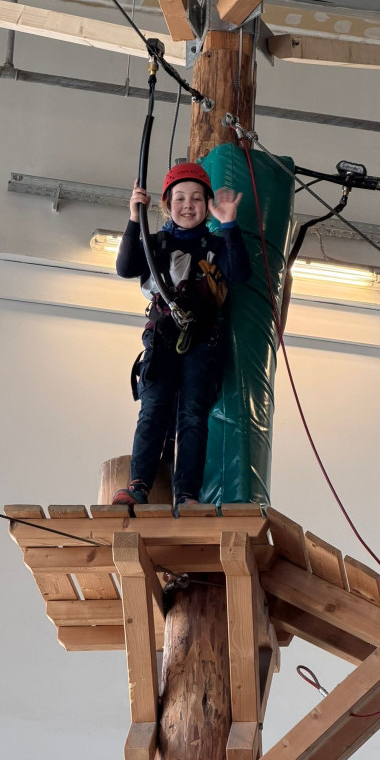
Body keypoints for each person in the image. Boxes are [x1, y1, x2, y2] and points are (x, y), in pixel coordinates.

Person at [112, 163, 252, 507]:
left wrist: (230, 224)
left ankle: (187, 494)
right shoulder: (156, 243)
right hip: (162, 339)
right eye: (179, 198)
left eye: (195, 198)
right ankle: (139, 485)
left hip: (202, 340)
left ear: (206, 204)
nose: (187, 205)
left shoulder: (216, 246)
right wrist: (134, 217)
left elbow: (240, 274)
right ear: (167, 205)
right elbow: (126, 267)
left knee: (192, 414)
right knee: (154, 408)